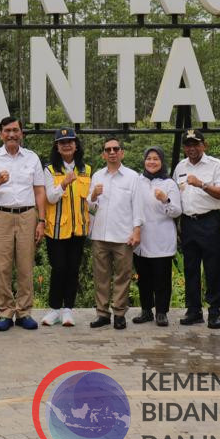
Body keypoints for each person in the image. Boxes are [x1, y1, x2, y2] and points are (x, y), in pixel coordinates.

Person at [0, 116, 46, 331]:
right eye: (7, 130)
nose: (12, 134)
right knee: (2, 266)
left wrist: (41, 220)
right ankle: (5, 312)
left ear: (22, 133)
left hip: (27, 214)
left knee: (25, 265)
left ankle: (24, 312)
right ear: (0, 134)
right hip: (0, 215)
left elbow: (39, 190)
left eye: (15, 130)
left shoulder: (32, 158)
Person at [172, 129, 220, 330]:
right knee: (190, 269)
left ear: (204, 145)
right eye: (188, 144)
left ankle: (214, 313)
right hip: (188, 223)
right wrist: (177, 225)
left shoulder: (215, 165)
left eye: (195, 144)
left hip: (208, 221)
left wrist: (202, 184)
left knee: (212, 269)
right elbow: (176, 196)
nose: (192, 148)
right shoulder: (180, 166)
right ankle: (194, 311)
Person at [88, 137, 144, 330]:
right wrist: (93, 196)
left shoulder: (132, 177)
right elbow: (90, 208)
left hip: (123, 235)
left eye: (115, 149)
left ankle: (119, 313)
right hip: (100, 235)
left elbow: (138, 205)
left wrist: (137, 230)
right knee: (101, 276)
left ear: (122, 152)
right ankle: (102, 313)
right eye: (108, 150)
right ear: (103, 154)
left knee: (123, 275)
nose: (112, 152)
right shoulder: (97, 176)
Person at [40, 128, 92, 328]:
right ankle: (54, 309)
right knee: (58, 268)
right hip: (56, 229)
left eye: (70, 141)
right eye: (62, 142)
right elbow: (50, 198)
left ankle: (68, 309)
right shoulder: (50, 170)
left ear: (76, 145)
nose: (67, 145)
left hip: (78, 229)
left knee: (73, 269)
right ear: (57, 147)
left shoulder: (85, 169)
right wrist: (63, 184)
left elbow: (88, 201)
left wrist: (94, 196)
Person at [133, 147, 182, 326]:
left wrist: (165, 199)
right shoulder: (137, 181)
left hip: (162, 238)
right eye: (148, 158)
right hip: (141, 238)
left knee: (162, 279)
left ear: (162, 161)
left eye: (156, 159)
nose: (152, 162)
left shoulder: (169, 183)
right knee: (143, 277)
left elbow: (177, 211)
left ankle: (162, 312)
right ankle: (146, 310)